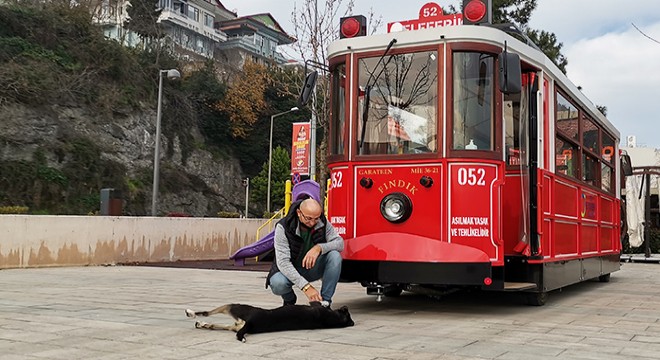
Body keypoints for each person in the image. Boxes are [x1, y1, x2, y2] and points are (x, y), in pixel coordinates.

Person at [265, 198, 344, 307]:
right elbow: (283, 262)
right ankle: (289, 299)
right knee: (278, 284)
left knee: (335, 256)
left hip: (312, 268)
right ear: (299, 213)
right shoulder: (283, 227)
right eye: (308, 218)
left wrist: (319, 248)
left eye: (316, 218)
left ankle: (325, 303)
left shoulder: (322, 222)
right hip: (290, 270)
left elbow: (340, 243)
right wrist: (306, 287)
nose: (312, 223)